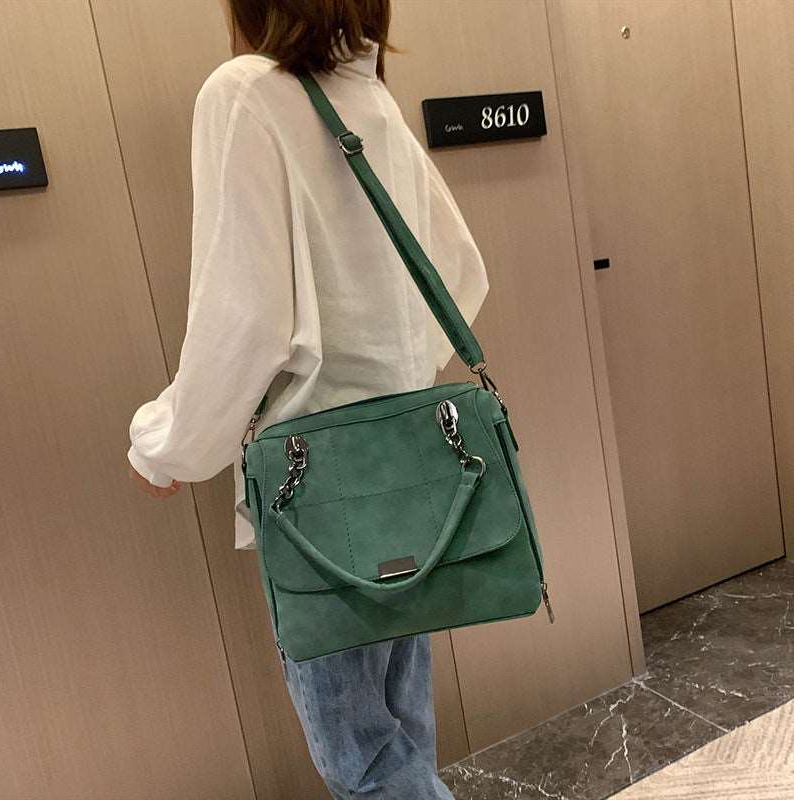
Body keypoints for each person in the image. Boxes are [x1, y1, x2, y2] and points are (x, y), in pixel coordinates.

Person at [127, 1, 488, 796]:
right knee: (402, 732)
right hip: (409, 466)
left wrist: (169, 445)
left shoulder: (245, 93)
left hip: (315, 487)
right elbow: (459, 273)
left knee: (363, 760)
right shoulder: (367, 95)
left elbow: (243, 318)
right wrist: (389, 377)